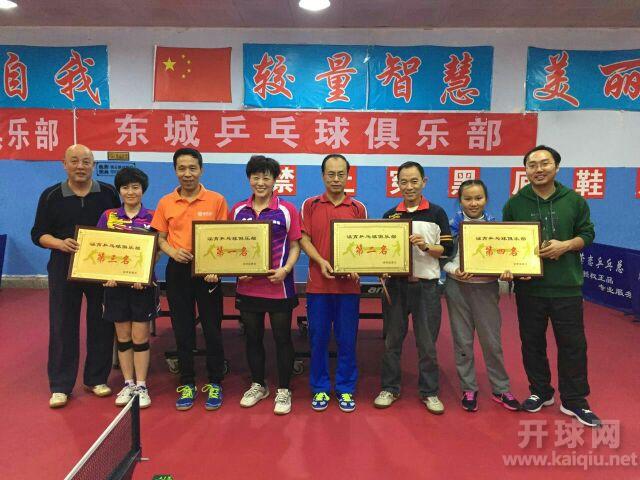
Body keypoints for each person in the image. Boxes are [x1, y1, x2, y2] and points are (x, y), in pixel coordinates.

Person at [503, 145, 600, 427]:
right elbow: (508, 242)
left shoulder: (574, 200)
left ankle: (574, 400)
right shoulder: (515, 204)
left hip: (566, 286)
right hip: (529, 289)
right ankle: (540, 391)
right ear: (525, 170)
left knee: (573, 345)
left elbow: (587, 234)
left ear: (556, 167)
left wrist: (566, 245)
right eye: (532, 165)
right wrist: (514, 270)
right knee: (532, 343)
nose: (538, 169)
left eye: (544, 163)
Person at [31, 144, 120, 408]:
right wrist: (59, 243)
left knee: (101, 322)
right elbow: (38, 234)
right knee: (62, 324)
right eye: (74, 161)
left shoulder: (108, 193)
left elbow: (120, 227)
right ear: (64, 164)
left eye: (85, 161)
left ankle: (96, 379)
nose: (80, 166)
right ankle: (60, 385)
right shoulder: (51, 195)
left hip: (100, 267)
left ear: (93, 165)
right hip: (63, 266)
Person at [151, 148, 228, 411]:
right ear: (175, 170)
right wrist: (172, 251)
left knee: (212, 328)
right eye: (182, 168)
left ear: (201, 170)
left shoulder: (216, 200)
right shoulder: (166, 202)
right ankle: (187, 382)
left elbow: (223, 237)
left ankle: (215, 381)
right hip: (178, 271)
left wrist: (216, 268)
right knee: (182, 329)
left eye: (192, 168)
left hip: (208, 272)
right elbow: (160, 238)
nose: (187, 173)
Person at [373, 161, 453, 414]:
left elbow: (447, 249)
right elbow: (383, 252)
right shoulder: (390, 215)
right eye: (404, 182)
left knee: (427, 344)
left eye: (414, 181)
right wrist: (382, 267)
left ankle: (430, 392)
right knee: (391, 342)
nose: (409, 186)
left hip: (427, 287)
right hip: (396, 286)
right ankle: (389, 388)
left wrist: (426, 246)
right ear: (397, 184)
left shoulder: (437, 213)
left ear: (424, 182)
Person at [230, 156, 301, 415]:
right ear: (249, 179)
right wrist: (237, 270)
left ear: (274, 180)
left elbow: (295, 245)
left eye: (266, 177)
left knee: (282, 338)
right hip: (248, 288)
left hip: (279, 286)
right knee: (253, 337)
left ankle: (284, 389)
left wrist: (285, 270)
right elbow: (230, 246)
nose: (260, 182)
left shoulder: (287, 210)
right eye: (256, 177)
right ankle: (258, 385)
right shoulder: (238, 210)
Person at [442, 179, 521, 413]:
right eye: (468, 198)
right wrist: (454, 270)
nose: (473, 203)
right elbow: (442, 258)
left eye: (478, 198)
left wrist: (506, 272)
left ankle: (501, 388)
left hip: (486, 289)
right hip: (457, 288)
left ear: (486, 199)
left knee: (492, 342)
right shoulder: (451, 226)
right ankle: (468, 388)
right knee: (463, 341)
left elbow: (504, 258)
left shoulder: (495, 228)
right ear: (460, 201)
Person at [300, 154, 367, 413]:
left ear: (348, 176)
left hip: (348, 288)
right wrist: (320, 261)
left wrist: (358, 266)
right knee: (318, 338)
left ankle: (345, 388)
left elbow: (363, 243)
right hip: (318, 285)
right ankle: (319, 387)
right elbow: (303, 239)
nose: (336, 179)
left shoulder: (358, 208)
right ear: (323, 175)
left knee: (347, 339)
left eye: (341, 174)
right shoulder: (310, 204)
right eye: (331, 174)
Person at [97, 167, 155, 409]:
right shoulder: (108, 216)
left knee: (140, 337)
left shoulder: (152, 217)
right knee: (123, 337)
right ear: (119, 190)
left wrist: (144, 274)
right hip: (115, 287)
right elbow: (99, 247)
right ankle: (128, 383)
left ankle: (142, 385)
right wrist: (106, 275)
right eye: (125, 187)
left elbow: (157, 250)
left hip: (142, 287)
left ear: (143, 190)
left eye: (135, 187)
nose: (130, 192)